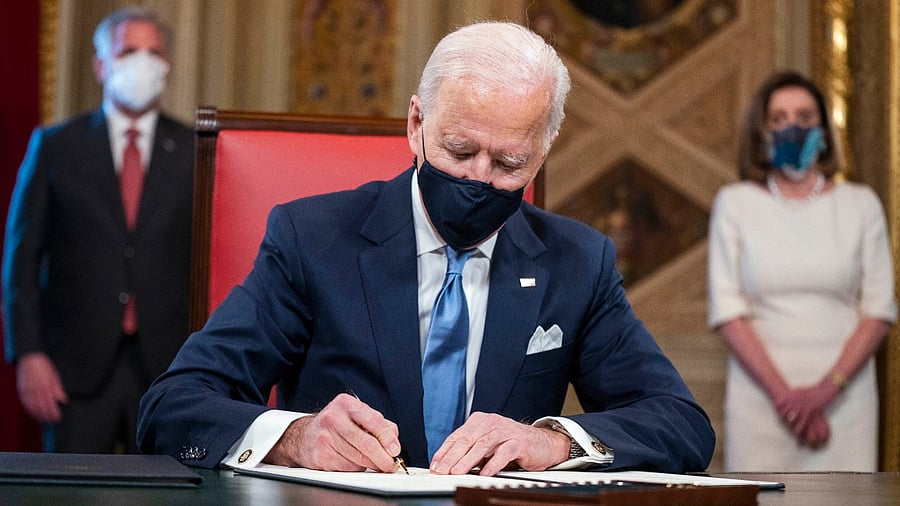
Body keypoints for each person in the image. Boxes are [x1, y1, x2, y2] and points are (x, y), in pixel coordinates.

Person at [138, 21, 714, 475]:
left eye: (509, 162)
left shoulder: (577, 263)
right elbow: (174, 404)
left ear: (542, 153)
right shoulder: (313, 239)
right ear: (416, 123)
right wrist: (296, 437)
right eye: (459, 151)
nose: (479, 179)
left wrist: (554, 440)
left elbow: (680, 424)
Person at [2, 6, 194, 453]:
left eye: (154, 52)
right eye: (129, 51)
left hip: (169, 371)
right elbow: (22, 260)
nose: (143, 63)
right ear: (101, 65)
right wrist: (28, 354)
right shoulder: (56, 146)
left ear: (167, 65)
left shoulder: (194, 151)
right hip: (75, 371)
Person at [707, 71, 897, 471]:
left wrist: (824, 393)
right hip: (761, 403)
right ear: (761, 131)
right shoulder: (736, 203)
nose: (792, 127)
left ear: (824, 130)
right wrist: (787, 399)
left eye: (805, 117)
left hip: (845, 403)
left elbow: (879, 310)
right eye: (778, 119)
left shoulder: (861, 205)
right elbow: (727, 311)